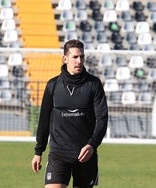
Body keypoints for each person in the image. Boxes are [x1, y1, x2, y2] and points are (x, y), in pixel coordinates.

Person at [31, 39, 108, 188]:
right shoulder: (53, 85)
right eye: (75, 57)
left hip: (86, 155)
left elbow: (102, 119)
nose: (79, 61)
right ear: (65, 59)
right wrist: (38, 151)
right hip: (59, 155)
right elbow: (44, 120)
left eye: (82, 57)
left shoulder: (94, 84)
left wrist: (92, 145)